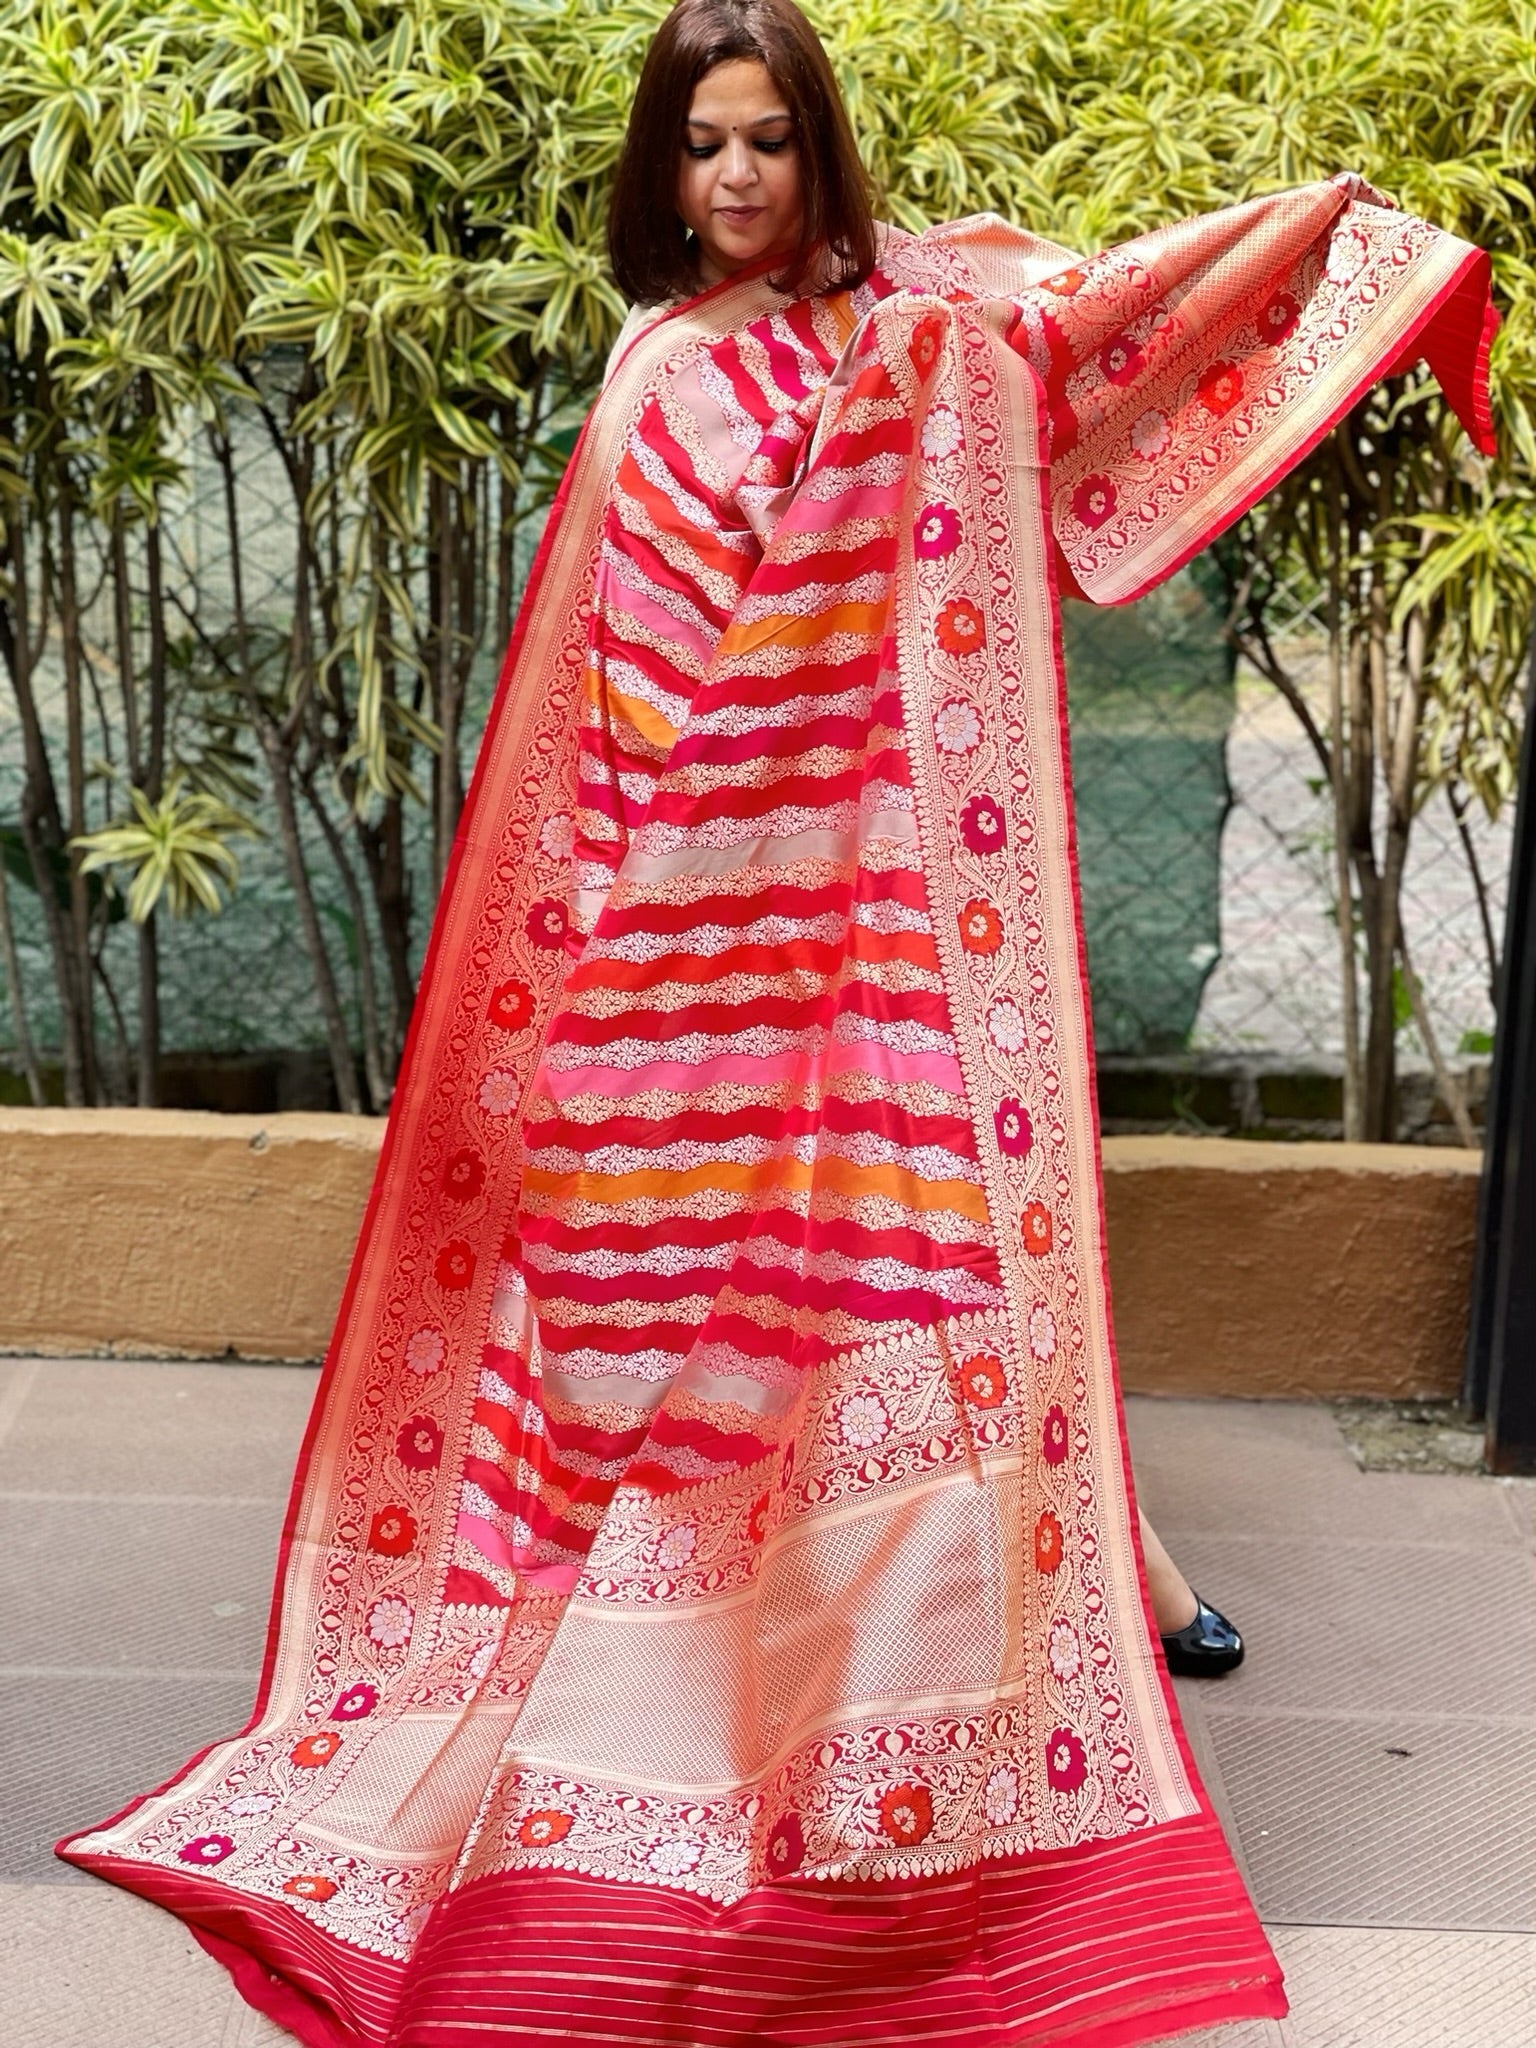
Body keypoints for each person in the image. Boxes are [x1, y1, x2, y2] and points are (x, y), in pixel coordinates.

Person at [60, 4, 1494, 2044]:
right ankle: (754, 1732)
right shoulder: (666, 378)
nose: (735, 182)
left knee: (960, 1298)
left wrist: (1335, 245)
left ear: (820, 153)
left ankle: (1056, 1650)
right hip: (702, 959)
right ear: (663, 167)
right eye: (703, 147)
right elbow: (645, 704)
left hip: (896, 948)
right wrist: (672, 965)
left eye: (770, 144)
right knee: (724, 1351)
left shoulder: (923, 318)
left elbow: (1101, 318)